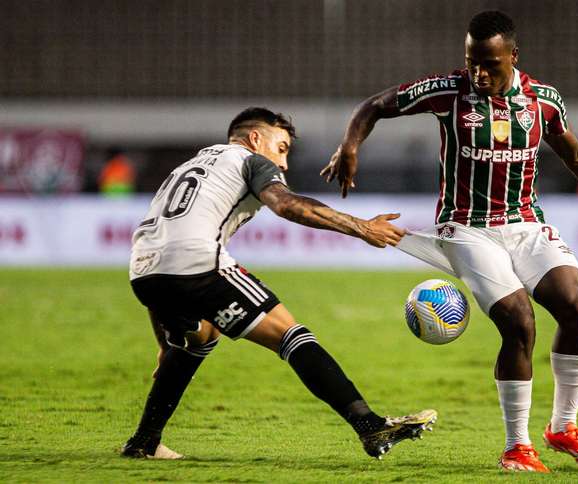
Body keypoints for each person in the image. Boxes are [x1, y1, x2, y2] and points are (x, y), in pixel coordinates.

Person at [321, 11, 578, 473]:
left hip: (526, 224)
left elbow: (575, 153)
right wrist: (350, 145)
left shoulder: (543, 101)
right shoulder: (449, 91)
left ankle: (564, 427)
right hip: (466, 228)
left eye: (490, 64)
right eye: (472, 61)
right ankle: (517, 447)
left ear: (513, 57)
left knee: (575, 305)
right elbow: (375, 104)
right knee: (519, 321)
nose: (479, 73)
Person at [121, 107, 437, 460]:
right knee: (291, 335)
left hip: (143, 270)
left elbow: (161, 248)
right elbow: (286, 206)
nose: (283, 163)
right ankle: (369, 425)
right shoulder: (251, 161)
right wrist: (362, 227)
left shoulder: (191, 165)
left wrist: (164, 341)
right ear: (256, 139)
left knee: (202, 336)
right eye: (282, 148)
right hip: (195, 263)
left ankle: (144, 441)